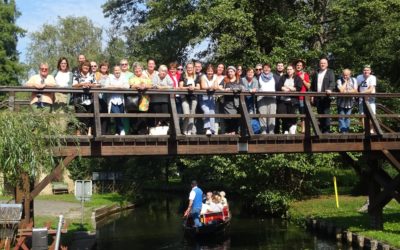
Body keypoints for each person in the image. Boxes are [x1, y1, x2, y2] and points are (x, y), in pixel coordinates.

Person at [72, 60, 99, 136]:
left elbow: (95, 85)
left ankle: (89, 132)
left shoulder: (92, 75)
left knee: (89, 116)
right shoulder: (77, 74)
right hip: (79, 99)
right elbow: (74, 85)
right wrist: (82, 84)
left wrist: (90, 85)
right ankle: (78, 132)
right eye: (84, 65)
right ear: (81, 67)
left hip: (89, 99)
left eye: (87, 66)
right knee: (79, 116)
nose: (86, 67)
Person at [311, 58, 336, 133]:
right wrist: (312, 95)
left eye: (324, 63)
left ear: (327, 64)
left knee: (326, 113)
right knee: (319, 113)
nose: (322, 64)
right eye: (321, 63)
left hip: (326, 96)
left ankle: (327, 130)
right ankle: (321, 129)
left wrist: (330, 89)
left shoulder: (330, 72)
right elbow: (313, 85)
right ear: (319, 64)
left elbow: (332, 82)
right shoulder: (316, 72)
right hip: (317, 96)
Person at [276, 65, 303, 134]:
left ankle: (292, 127)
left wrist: (286, 87)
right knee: (282, 113)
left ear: (293, 70)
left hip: (292, 100)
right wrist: (289, 88)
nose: (289, 70)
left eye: (290, 69)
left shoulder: (297, 78)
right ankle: (285, 129)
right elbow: (279, 86)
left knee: (291, 115)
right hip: (283, 100)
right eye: (287, 69)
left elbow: (298, 88)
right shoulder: (283, 77)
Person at [104, 65, 130, 135]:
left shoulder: (123, 77)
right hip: (112, 100)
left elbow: (127, 86)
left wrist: (114, 86)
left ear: (120, 71)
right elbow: (106, 86)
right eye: (115, 70)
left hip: (121, 100)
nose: (117, 71)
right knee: (117, 114)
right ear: (113, 71)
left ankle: (117, 132)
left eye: (118, 70)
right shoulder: (110, 77)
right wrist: (119, 87)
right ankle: (122, 129)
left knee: (120, 116)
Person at [129, 62, 153, 134]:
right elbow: (131, 85)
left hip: (144, 101)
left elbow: (151, 85)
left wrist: (145, 86)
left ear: (142, 70)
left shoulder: (146, 77)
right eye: (136, 71)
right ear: (134, 71)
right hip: (134, 101)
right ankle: (134, 133)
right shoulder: (132, 78)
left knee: (143, 118)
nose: (138, 72)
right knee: (134, 118)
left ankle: (142, 133)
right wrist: (138, 86)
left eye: (139, 70)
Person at [220, 66, 242, 134]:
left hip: (236, 101)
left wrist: (232, 89)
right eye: (228, 72)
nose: (230, 73)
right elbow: (219, 86)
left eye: (231, 71)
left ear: (234, 72)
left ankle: (234, 131)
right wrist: (224, 90)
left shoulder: (239, 79)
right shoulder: (225, 79)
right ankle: (229, 131)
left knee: (234, 116)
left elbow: (241, 87)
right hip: (227, 101)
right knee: (227, 117)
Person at [257, 63, 279, 134]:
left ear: (270, 69)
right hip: (261, 98)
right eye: (265, 68)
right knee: (262, 115)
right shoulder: (258, 77)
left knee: (272, 115)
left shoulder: (274, 76)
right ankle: (263, 131)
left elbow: (278, 86)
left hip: (272, 98)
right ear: (262, 69)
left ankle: (271, 131)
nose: (266, 69)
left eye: (268, 67)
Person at [179, 62, 200, 135]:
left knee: (192, 114)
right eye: (188, 67)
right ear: (186, 68)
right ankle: (184, 129)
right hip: (184, 97)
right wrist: (188, 87)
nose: (189, 69)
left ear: (193, 68)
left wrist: (193, 88)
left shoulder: (196, 76)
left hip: (194, 97)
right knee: (186, 114)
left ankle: (190, 130)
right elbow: (180, 87)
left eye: (191, 67)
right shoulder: (183, 75)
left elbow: (198, 87)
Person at [357, 65, 377, 133]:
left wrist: (361, 93)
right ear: (363, 71)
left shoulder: (373, 77)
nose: (366, 71)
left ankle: (371, 129)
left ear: (370, 71)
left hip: (370, 98)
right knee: (362, 115)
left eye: (367, 70)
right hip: (361, 98)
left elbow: (371, 89)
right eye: (365, 70)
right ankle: (365, 130)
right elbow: (356, 87)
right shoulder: (359, 77)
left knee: (372, 114)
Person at [337, 69, 358, 133]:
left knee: (348, 118)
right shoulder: (339, 80)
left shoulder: (354, 80)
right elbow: (341, 90)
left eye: (347, 75)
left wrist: (346, 92)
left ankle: (346, 131)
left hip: (350, 102)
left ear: (350, 74)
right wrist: (345, 82)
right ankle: (344, 132)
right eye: (344, 75)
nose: (345, 76)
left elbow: (355, 90)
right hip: (341, 102)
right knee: (341, 118)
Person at [200, 64, 219, 135]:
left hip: (211, 98)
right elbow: (203, 86)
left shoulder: (215, 77)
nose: (210, 72)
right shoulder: (203, 77)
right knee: (207, 111)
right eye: (208, 71)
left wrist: (213, 87)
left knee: (212, 113)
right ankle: (207, 128)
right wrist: (211, 87)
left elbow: (216, 86)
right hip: (203, 98)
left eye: (211, 71)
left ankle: (212, 130)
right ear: (206, 71)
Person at [295, 59, 311, 133]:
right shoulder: (293, 74)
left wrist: (303, 79)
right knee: (293, 113)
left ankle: (303, 128)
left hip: (302, 97)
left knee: (302, 113)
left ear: (302, 67)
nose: (298, 66)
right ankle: (293, 129)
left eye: (300, 65)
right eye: (297, 65)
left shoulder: (305, 75)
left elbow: (308, 86)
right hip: (294, 97)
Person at [96, 62, 111, 135]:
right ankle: (99, 132)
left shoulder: (110, 76)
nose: (104, 68)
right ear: (100, 67)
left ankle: (105, 132)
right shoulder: (97, 74)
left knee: (106, 114)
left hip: (107, 97)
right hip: (99, 97)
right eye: (103, 66)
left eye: (106, 66)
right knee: (99, 113)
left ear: (108, 68)